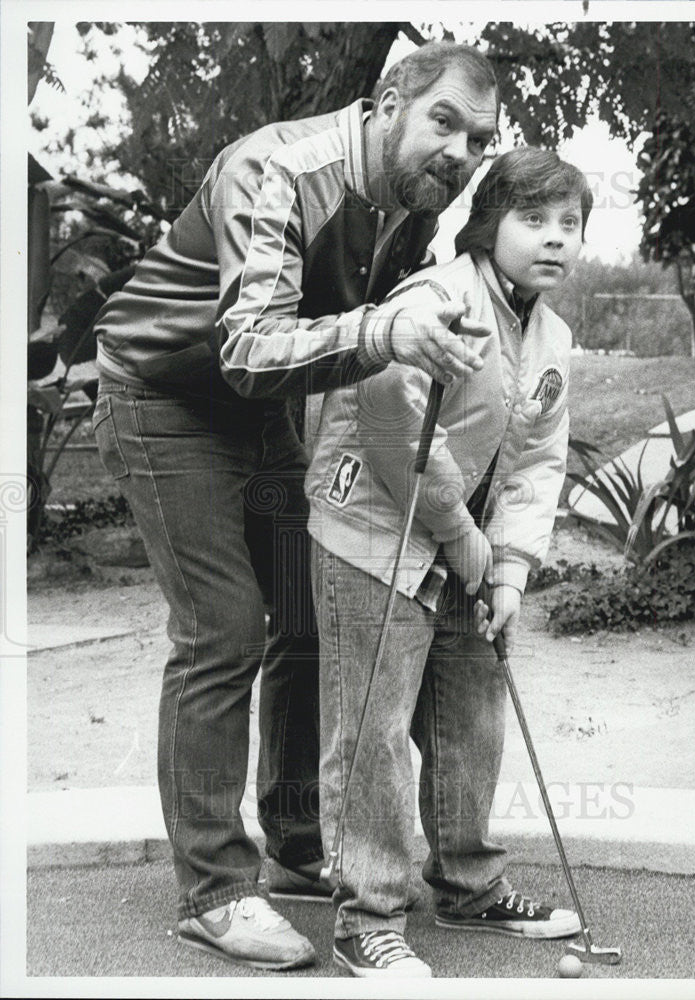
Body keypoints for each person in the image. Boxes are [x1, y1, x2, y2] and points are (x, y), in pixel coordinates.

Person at [90, 42, 499, 970]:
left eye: (479, 139)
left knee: (308, 613)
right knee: (222, 627)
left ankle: (296, 842)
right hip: (165, 395)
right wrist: (386, 330)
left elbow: (353, 348)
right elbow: (249, 346)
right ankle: (214, 891)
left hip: (260, 414)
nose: (461, 152)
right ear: (389, 100)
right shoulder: (279, 168)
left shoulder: (414, 210)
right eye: (444, 121)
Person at [305, 146, 594, 977]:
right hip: (372, 526)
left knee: (471, 711)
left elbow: (539, 463)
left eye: (568, 225)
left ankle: (468, 885)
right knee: (375, 727)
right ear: (487, 223)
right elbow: (392, 426)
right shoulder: (437, 299)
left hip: (462, 540)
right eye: (532, 219)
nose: (553, 240)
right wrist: (465, 540)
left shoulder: (552, 335)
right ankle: (366, 914)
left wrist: (507, 569)